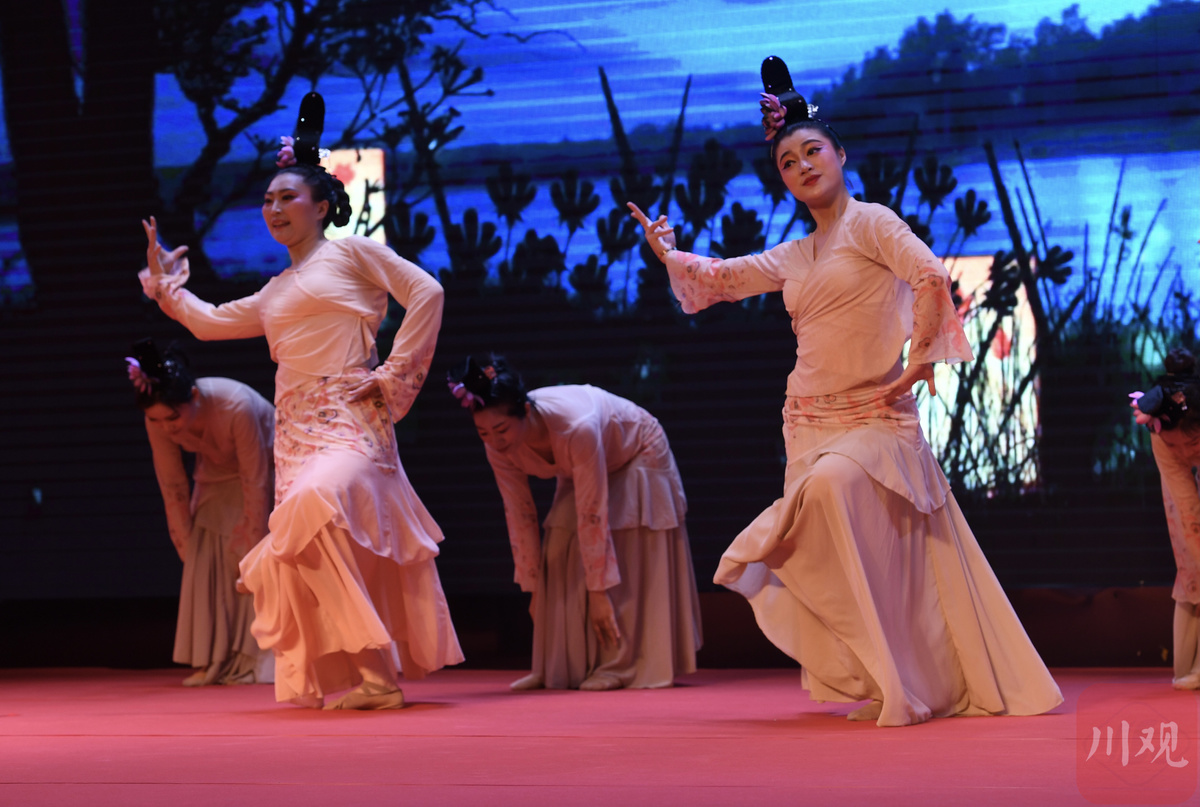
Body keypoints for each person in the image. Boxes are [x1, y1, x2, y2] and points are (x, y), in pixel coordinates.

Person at [626, 58, 1062, 726]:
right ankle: (896, 681)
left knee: (831, 493)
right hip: (810, 422)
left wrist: (923, 355)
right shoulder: (798, 253)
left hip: (878, 418)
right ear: (782, 180)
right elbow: (724, 278)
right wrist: (668, 255)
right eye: (788, 162)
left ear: (839, 154)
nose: (802, 166)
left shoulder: (872, 223)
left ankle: (908, 682)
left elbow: (928, 275)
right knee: (854, 549)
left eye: (812, 151)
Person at [137, 129, 463, 709]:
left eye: (287, 197)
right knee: (308, 544)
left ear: (322, 206)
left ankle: (376, 674)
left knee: (312, 511)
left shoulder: (352, 252)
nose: (274, 208)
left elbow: (428, 292)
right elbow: (209, 322)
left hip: (350, 420)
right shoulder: (274, 291)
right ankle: (374, 679)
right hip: (294, 435)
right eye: (267, 200)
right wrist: (165, 288)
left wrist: (392, 373)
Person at [450, 356, 702, 691]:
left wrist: (598, 594)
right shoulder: (498, 448)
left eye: (501, 430)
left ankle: (619, 664)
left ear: (526, 412)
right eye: (483, 433)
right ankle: (558, 666)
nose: (495, 441)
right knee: (558, 545)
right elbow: (519, 512)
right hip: (581, 464)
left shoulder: (575, 425)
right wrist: (534, 589)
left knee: (620, 544)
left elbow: (592, 512)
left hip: (637, 450)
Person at [127, 339, 275, 686]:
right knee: (205, 553)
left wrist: (253, 541)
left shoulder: (234, 405)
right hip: (215, 476)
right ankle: (216, 658)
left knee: (250, 559)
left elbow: (256, 479)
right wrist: (185, 544)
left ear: (193, 397)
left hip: (269, 469)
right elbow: (172, 484)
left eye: (172, 417)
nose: (166, 427)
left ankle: (253, 657)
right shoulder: (158, 421)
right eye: (156, 419)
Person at [1130, 347, 1200, 689]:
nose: (1183, 445)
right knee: (1190, 554)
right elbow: (1189, 514)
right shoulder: (1161, 437)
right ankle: (1189, 668)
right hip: (1174, 471)